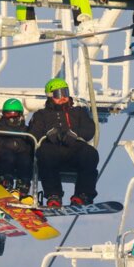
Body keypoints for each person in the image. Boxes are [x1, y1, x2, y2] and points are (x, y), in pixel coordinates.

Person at [27, 78, 98, 207]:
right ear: (50, 96)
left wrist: (75, 135)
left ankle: (83, 194)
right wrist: (48, 135)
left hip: (74, 149)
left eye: (65, 92)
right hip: (52, 149)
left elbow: (90, 129)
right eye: (58, 94)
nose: (63, 97)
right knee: (44, 154)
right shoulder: (41, 115)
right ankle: (54, 195)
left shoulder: (78, 112)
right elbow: (33, 134)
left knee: (90, 154)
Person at [0, 98, 35, 199]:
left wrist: (18, 147)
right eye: (8, 114)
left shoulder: (25, 129)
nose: (11, 117)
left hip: (21, 155)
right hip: (4, 155)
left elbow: (29, 146)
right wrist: (7, 145)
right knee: (8, 157)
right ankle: (6, 182)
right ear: (4, 115)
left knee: (26, 159)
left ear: (20, 114)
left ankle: (23, 186)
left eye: (14, 114)